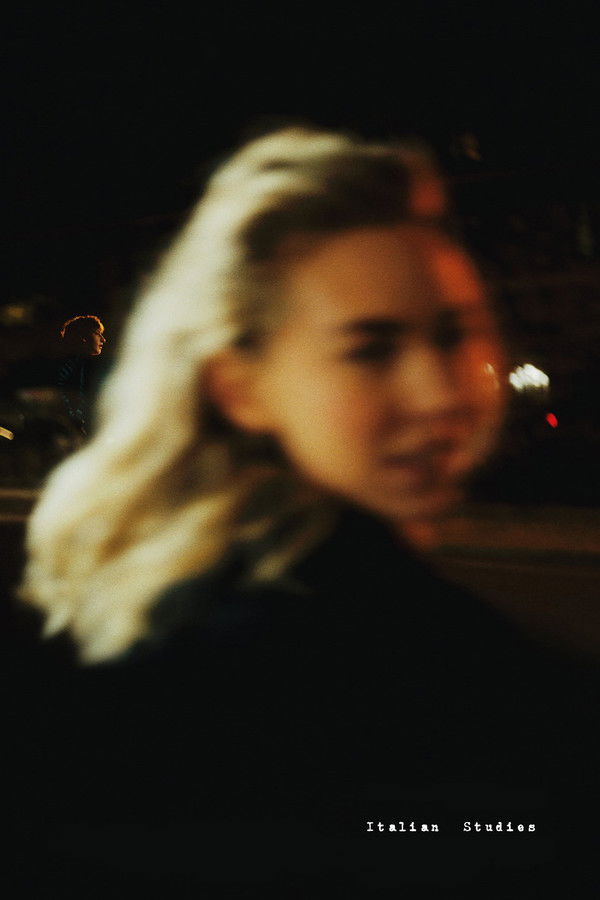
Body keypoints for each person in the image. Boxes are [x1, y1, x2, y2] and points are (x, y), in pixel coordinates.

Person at [12, 126, 599, 895]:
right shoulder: (472, 699)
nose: (442, 392)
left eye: (455, 334)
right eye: (370, 349)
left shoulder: (124, 618)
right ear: (238, 386)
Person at [57, 314, 107, 435]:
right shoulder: (79, 367)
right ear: (83, 337)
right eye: (97, 334)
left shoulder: (72, 364)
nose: (103, 339)